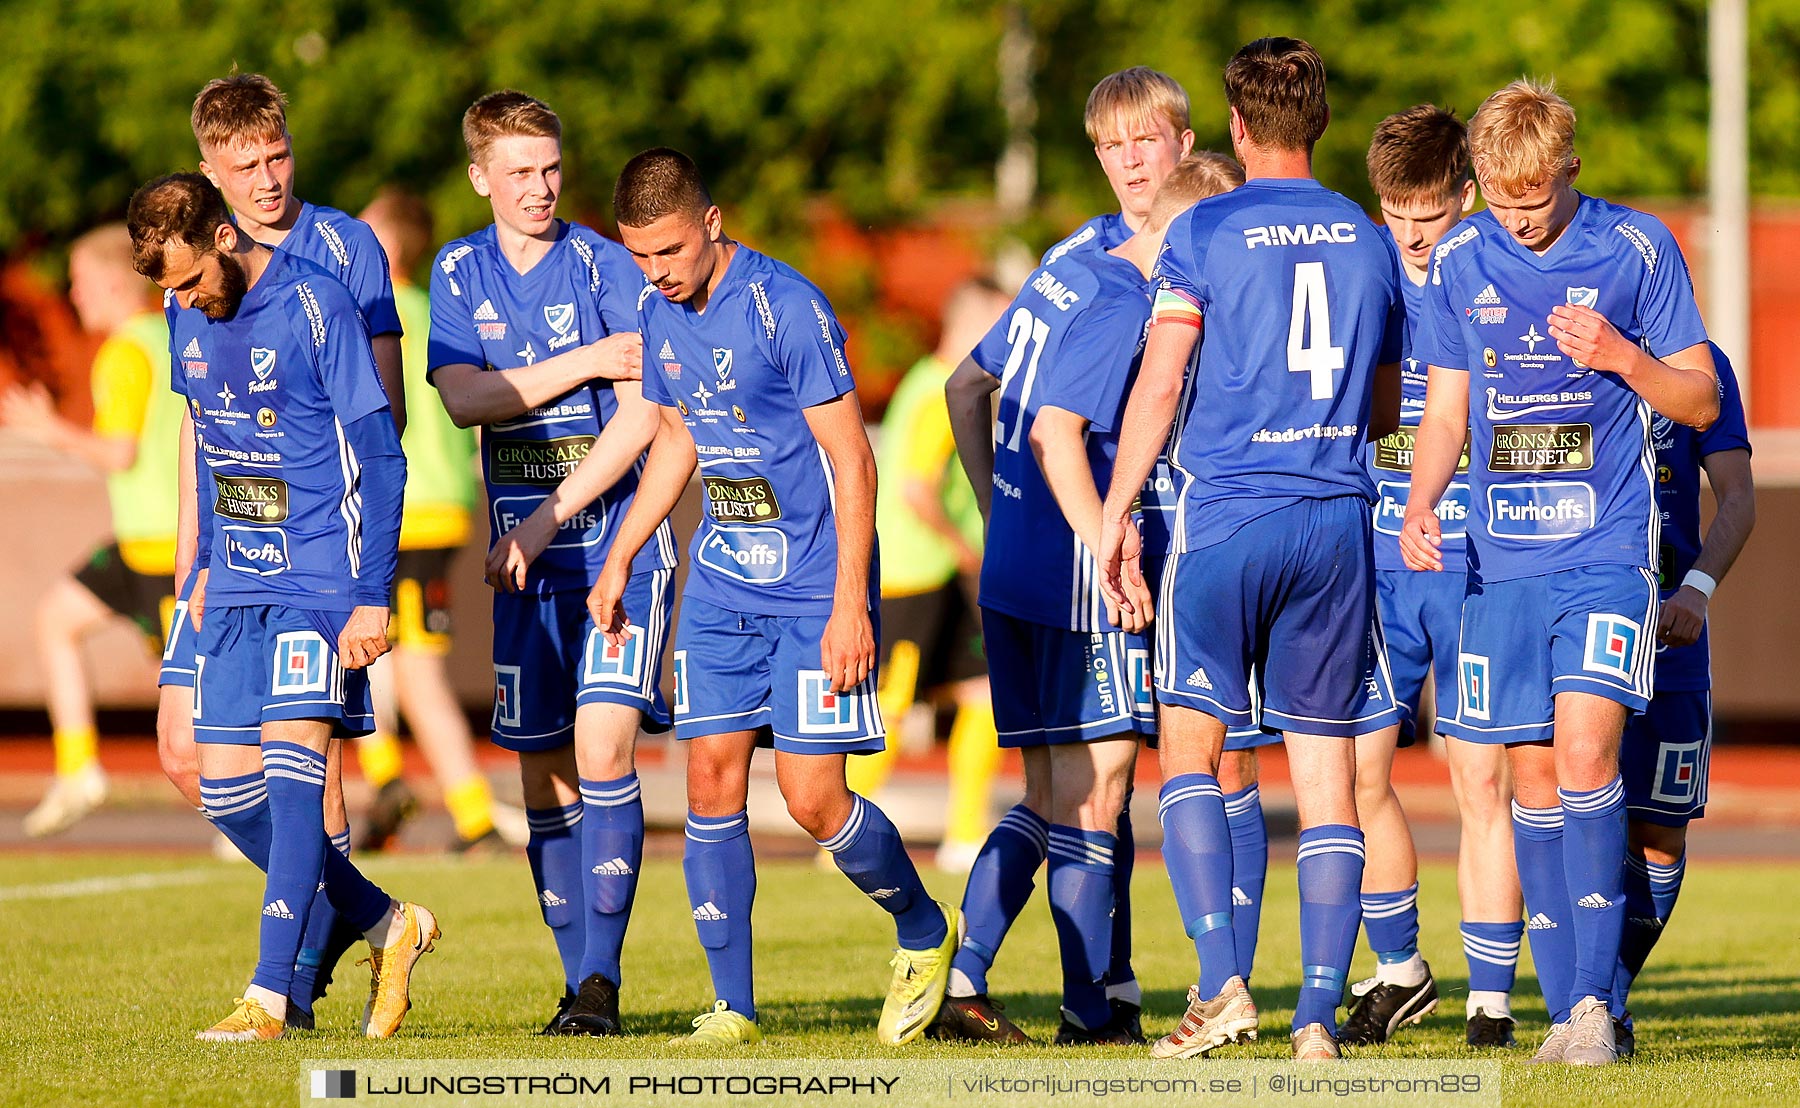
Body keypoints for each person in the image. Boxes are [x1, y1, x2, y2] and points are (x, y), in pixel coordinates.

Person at [591, 147, 957, 1047]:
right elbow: (676, 440)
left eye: (670, 252)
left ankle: (922, 929)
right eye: (641, 257)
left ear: (712, 223)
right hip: (722, 584)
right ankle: (733, 1008)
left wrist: (849, 606)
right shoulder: (655, 310)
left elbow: (852, 459)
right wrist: (620, 555)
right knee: (708, 775)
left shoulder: (785, 306)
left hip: (811, 590)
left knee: (810, 799)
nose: (657, 274)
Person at [1399, 78, 1719, 1066]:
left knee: (1586, 758)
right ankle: (1569, 1011)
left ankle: (1590, 1007)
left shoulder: (1636, 249)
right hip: (1502, 566)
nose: (1519, 222)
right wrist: (1422, 497)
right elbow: (1447, 408)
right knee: (1531, 785)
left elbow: (1702, 399)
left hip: (1605, 554)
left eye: (1534, 202)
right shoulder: (1458, 258)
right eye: (1501, 202)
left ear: (1570, 169)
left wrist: (1625, 357)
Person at [1098, 37, 1405, 1061]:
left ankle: (1223, 982)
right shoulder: (1369, 240)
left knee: (1189, 747)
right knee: (1327, 779)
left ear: (1234, 126)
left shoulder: (1205, 227)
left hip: (1227, 515)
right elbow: (1388, 400)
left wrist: (1115, 513)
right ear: (1319, 119)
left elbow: (1159, 380)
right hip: (1334, 521)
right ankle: (1319, 1017)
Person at [936, 153, 1240, 1047]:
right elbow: (1055, 430)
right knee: (1096, 792)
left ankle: (966, 981)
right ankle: (1088, 1012)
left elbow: (966, 386)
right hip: (1075, 571)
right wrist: (1104, 541)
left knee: (1045, 794)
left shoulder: (1063, 271)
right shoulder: (1122, 301)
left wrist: (998, 508)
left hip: (1015, 567)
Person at [128, 172, 435, 1042]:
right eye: (166, 289)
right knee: (225, 796)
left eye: (188, 281)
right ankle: (386, 921)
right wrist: (200, 563)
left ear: (225, 238)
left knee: (297, 780)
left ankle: (267, 998)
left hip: (319, 580)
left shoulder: (317, 306)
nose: (181, 301)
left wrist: (372, 596)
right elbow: (211, 443)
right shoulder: (184, 309)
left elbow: (382, 458)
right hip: (231, 584)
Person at [1045, 65, 1279, 1034]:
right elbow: (1016, 397)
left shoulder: (1240, 231)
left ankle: (1229, 978)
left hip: (1222, 527)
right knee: (1106, 772)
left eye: (1149, 141)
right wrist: (1097, 526)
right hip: (1117, 539)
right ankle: (1105, 989)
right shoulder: (1079, 259)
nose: (1133, 163)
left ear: (1188, 144)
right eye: (1113, 147)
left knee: (1230, 763)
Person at [428, 91, 665, 1036]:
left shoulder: (607, 263)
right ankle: (577, 988)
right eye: (519, 172)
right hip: (520, 567)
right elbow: (462, 399)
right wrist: (582, 361)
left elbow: (645, 411)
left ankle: (602, 987)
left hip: (614, 549)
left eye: (552, 168)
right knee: (542, 777)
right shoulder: (458, 268)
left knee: (603, 749)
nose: (541, 187)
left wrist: (547, 519)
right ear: (481, 177)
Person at [1342, 105, 1524, 1048]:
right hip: (1379, 560)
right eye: (1393, 209)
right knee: (1356, 773)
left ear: (1465, 194)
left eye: (1428, 210)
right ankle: (1400, 969)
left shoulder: (1501, 266)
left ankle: (1492, 1001)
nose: (1410, 231)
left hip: (1476, 562)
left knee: (1477, 777)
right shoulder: (1360, 263)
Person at [352, 188, 523, 854]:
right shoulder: (442, 313)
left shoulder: (372, 312)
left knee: (409, 671)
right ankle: (388, 780)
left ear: (387, 244)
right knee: (373, 657)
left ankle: (472, 815)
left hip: (401, 507)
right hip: (443, 503)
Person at [0, 225, 180, 837]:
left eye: (79, 283)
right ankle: (79, 770)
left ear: (110, 281)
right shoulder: (172, 335)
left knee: (198, 705)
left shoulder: (126, 350)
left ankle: (256, 821)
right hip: (146, 542)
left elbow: (119, 452)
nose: (74, 296)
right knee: (56, 620)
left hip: (163, 548)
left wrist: (47, 428)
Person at [1612, 343, 1753, 1057]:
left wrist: (1696, 589)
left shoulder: (1704, 364)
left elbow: (1739, 496)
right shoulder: (1549, 332)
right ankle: (1582, 1003)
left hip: (1669, 632)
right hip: (1570, 614)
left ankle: (1608, 995)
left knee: (1661, 833)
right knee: (1561, 805)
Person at [846, 278, 1008, 873]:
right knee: (890, 708)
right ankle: (843, 830)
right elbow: (917, 490)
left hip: (938, 573)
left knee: (981, 695)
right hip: (916, 575)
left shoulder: (926, 381)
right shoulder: (942, 387)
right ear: (971, 323)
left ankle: (965, 833)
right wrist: (968, 548)